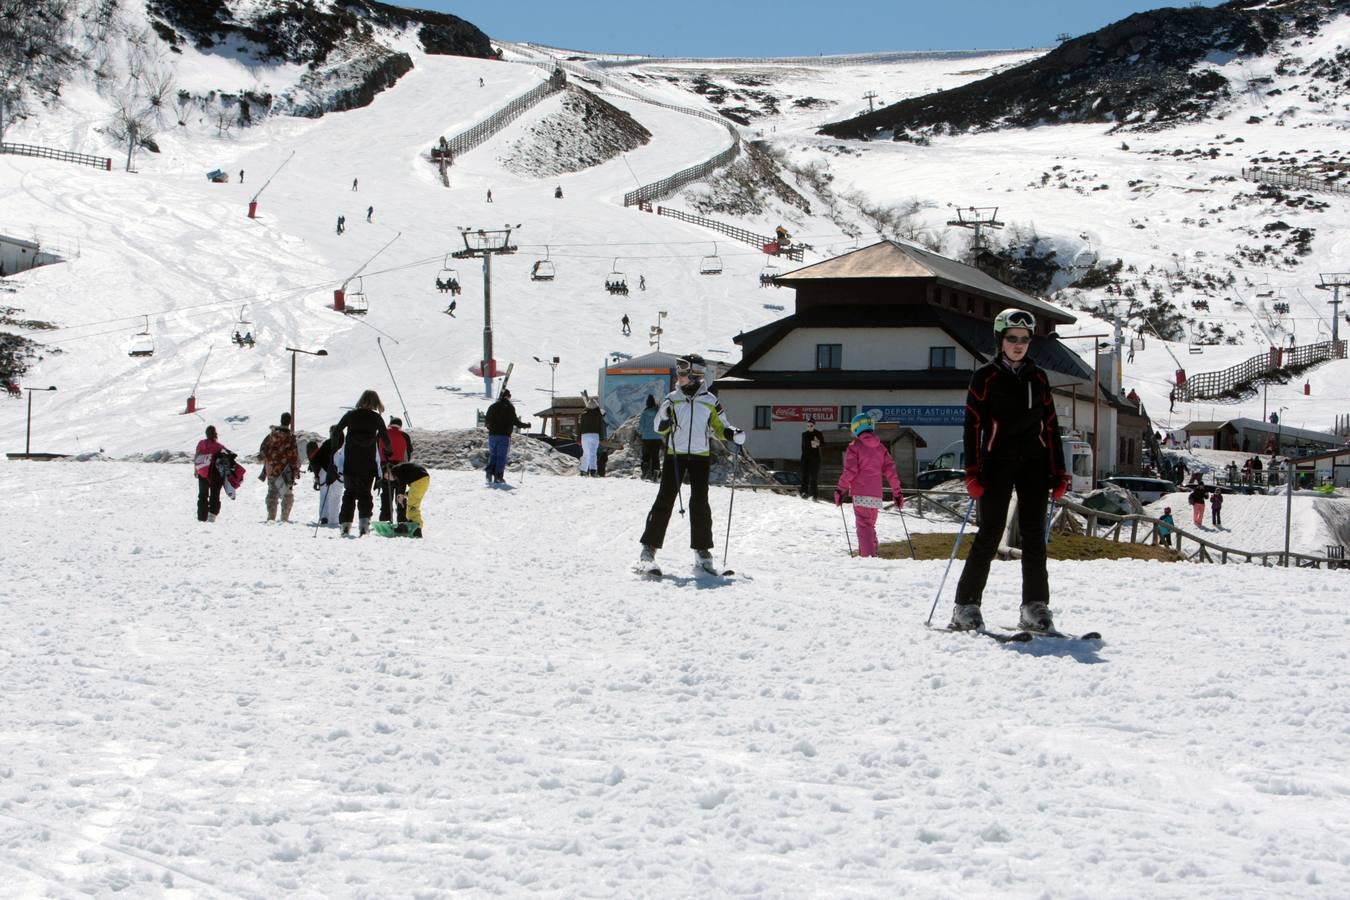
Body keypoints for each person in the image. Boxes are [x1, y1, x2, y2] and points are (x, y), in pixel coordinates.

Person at [950, 309, 1070, 634]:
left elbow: (1050, 427)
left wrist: (1060, 473)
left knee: (1034, 537)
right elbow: (972, 426)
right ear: (1000, 340)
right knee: (989, 533)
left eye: (1024, 340)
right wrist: (972, 472)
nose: (1018, 345)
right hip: (996, 462)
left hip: (1034, 464)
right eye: (1012, 339)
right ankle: (966, 605)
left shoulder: (1039, 378)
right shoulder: (985, 377)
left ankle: (1034, 606)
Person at [638, 355, 745, 574]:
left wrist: (732, 434)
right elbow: (659, 425)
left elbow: (719, 426)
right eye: (678, 371)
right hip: (675, 455)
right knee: (664, 500)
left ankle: (702, 552)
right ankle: (647, 551)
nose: (679, 376)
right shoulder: (672, 398)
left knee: (700, 503)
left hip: (700, 456)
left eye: (683, 371)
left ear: (696, 374)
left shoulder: (710, 400)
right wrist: (665, 420)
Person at [834, 413, 904, 558]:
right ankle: (873, 554)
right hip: (876, 496)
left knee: (864, 527)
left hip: (860, 494)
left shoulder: (855, 447)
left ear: (856, 428)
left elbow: (850, 472)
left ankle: (868, 559)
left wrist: (840, 490)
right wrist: (897, 493)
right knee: (870, 526)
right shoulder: (881, 448)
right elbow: (891, 472)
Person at [333, 390, 391, 536]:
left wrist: (335, 448)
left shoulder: (350, 415)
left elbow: (336, 431)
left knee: (349, 493)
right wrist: (388, 452)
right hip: (368, 462)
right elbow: (386, 440)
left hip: (351, 461)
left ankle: (345, 525)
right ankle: (364, 526)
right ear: (376, 402)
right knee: (365, 494)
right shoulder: (376, 418)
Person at [258, 411, 300, 523]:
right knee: (287, 494)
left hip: (272, 469)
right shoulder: (291, 437)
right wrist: (295, 470)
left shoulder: (271, 435)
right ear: (289, 422)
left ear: (281, 421)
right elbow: (294, 456)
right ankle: (284, 518)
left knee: (272, 493)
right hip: (285, 471)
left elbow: (262, 450)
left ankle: (271, 517)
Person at [484, 388, 529, 484]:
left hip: (492, 435)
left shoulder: (492, 406)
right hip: (504, 436)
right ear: (506, 396)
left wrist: (492, 429)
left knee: (493, 455)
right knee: (501, 456)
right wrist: (526, 425)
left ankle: (489, 472)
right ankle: (498, 476)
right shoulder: (509, 407)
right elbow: (516, 422)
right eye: (509, 396)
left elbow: (487, 422)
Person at [378, 416, 414, 523]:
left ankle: (385, 519)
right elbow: (407, 454)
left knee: (386, 494)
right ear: (400, 426)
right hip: (400, 468)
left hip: (385, 467)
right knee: (400, 495)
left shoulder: (381, 434)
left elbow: (376, 452)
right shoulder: (404, 435)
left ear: (390, 424)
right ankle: (402, 520)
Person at [307, 430, 344, 526]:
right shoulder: (344, 445)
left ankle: (324, 517)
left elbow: (317, 459)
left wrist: (316, 475)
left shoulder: (327, 443)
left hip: (324, 472)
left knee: (324, 495)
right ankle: (333, 519)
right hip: (339, 474)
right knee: (336, 497)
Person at [383, 461, 430, 537]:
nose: (390, 479)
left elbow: (402, 482)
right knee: (413, 503)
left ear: (389, 471)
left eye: (388, 476)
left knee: (412, 506)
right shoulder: (400, 469)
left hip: (419, 480)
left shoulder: (396, 470)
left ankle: (417, 528)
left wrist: (401, 494)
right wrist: (405, 494)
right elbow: (406, 481)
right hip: (423, 480)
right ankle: (413, 525)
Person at [195, 425, 226, 522]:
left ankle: (202, 517)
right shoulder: (220, 447)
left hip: (203, 472)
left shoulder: (201, 444)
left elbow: (197, 457)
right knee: (215, 495)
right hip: (216, 474)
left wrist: (196, 471)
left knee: (203, 495)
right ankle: (212, 516)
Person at [578, 396, 606, 477]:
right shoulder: (599, 415)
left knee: (586, 453)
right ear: (596, 406)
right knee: (593, 453)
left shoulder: (583, 415)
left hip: (585, 436)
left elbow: (580, 427)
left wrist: (579, 438)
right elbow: (601, 427)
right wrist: (602, 437)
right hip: (595, 435)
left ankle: (583, 471)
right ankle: (593, 471)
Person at [638, 394, 662, 481]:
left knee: (645, 456)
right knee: (655, 456)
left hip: (646, 438)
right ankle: (655, 473)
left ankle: (645, 472)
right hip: (657, 437)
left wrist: (640, 432)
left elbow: (640, 427)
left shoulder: (644, 413)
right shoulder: (658, 413)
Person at [799, 418, 823, 500]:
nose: (809, 427)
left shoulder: (818, 433)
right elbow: (803, 446)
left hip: (815, 458)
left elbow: (823, 444)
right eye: (808, 426)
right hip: (805, 457)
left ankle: (814, 495)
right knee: (805, 476)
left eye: (811, 426)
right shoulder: (804, 434)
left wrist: (817, 443)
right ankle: (804, 492)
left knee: (814, 477)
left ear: (814, 425)